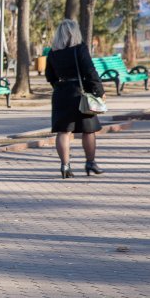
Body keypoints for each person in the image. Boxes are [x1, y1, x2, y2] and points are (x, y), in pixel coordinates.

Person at [45, 19, 106, 179]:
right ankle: (90, 162)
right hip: (81, 94)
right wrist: (99, 91)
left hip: (61, 94)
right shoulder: (79, 49)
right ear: (75, 33)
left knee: (63, 132)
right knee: (88, 130)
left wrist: (60, 88)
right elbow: (90, 71)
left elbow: (49, 76)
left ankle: (65, 166)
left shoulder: (52, 52)